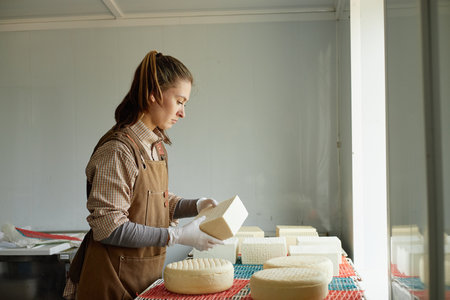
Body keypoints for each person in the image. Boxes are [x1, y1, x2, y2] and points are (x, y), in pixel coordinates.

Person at [63, 50, 223, 300]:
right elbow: (109, 227)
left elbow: (155, 203)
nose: (183, 112)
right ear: (153, 95)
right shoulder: (118, 151)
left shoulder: (155, 146)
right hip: (110, 283)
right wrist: (176, 235)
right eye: (179, 101)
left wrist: (197, 205)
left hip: (140, 280)